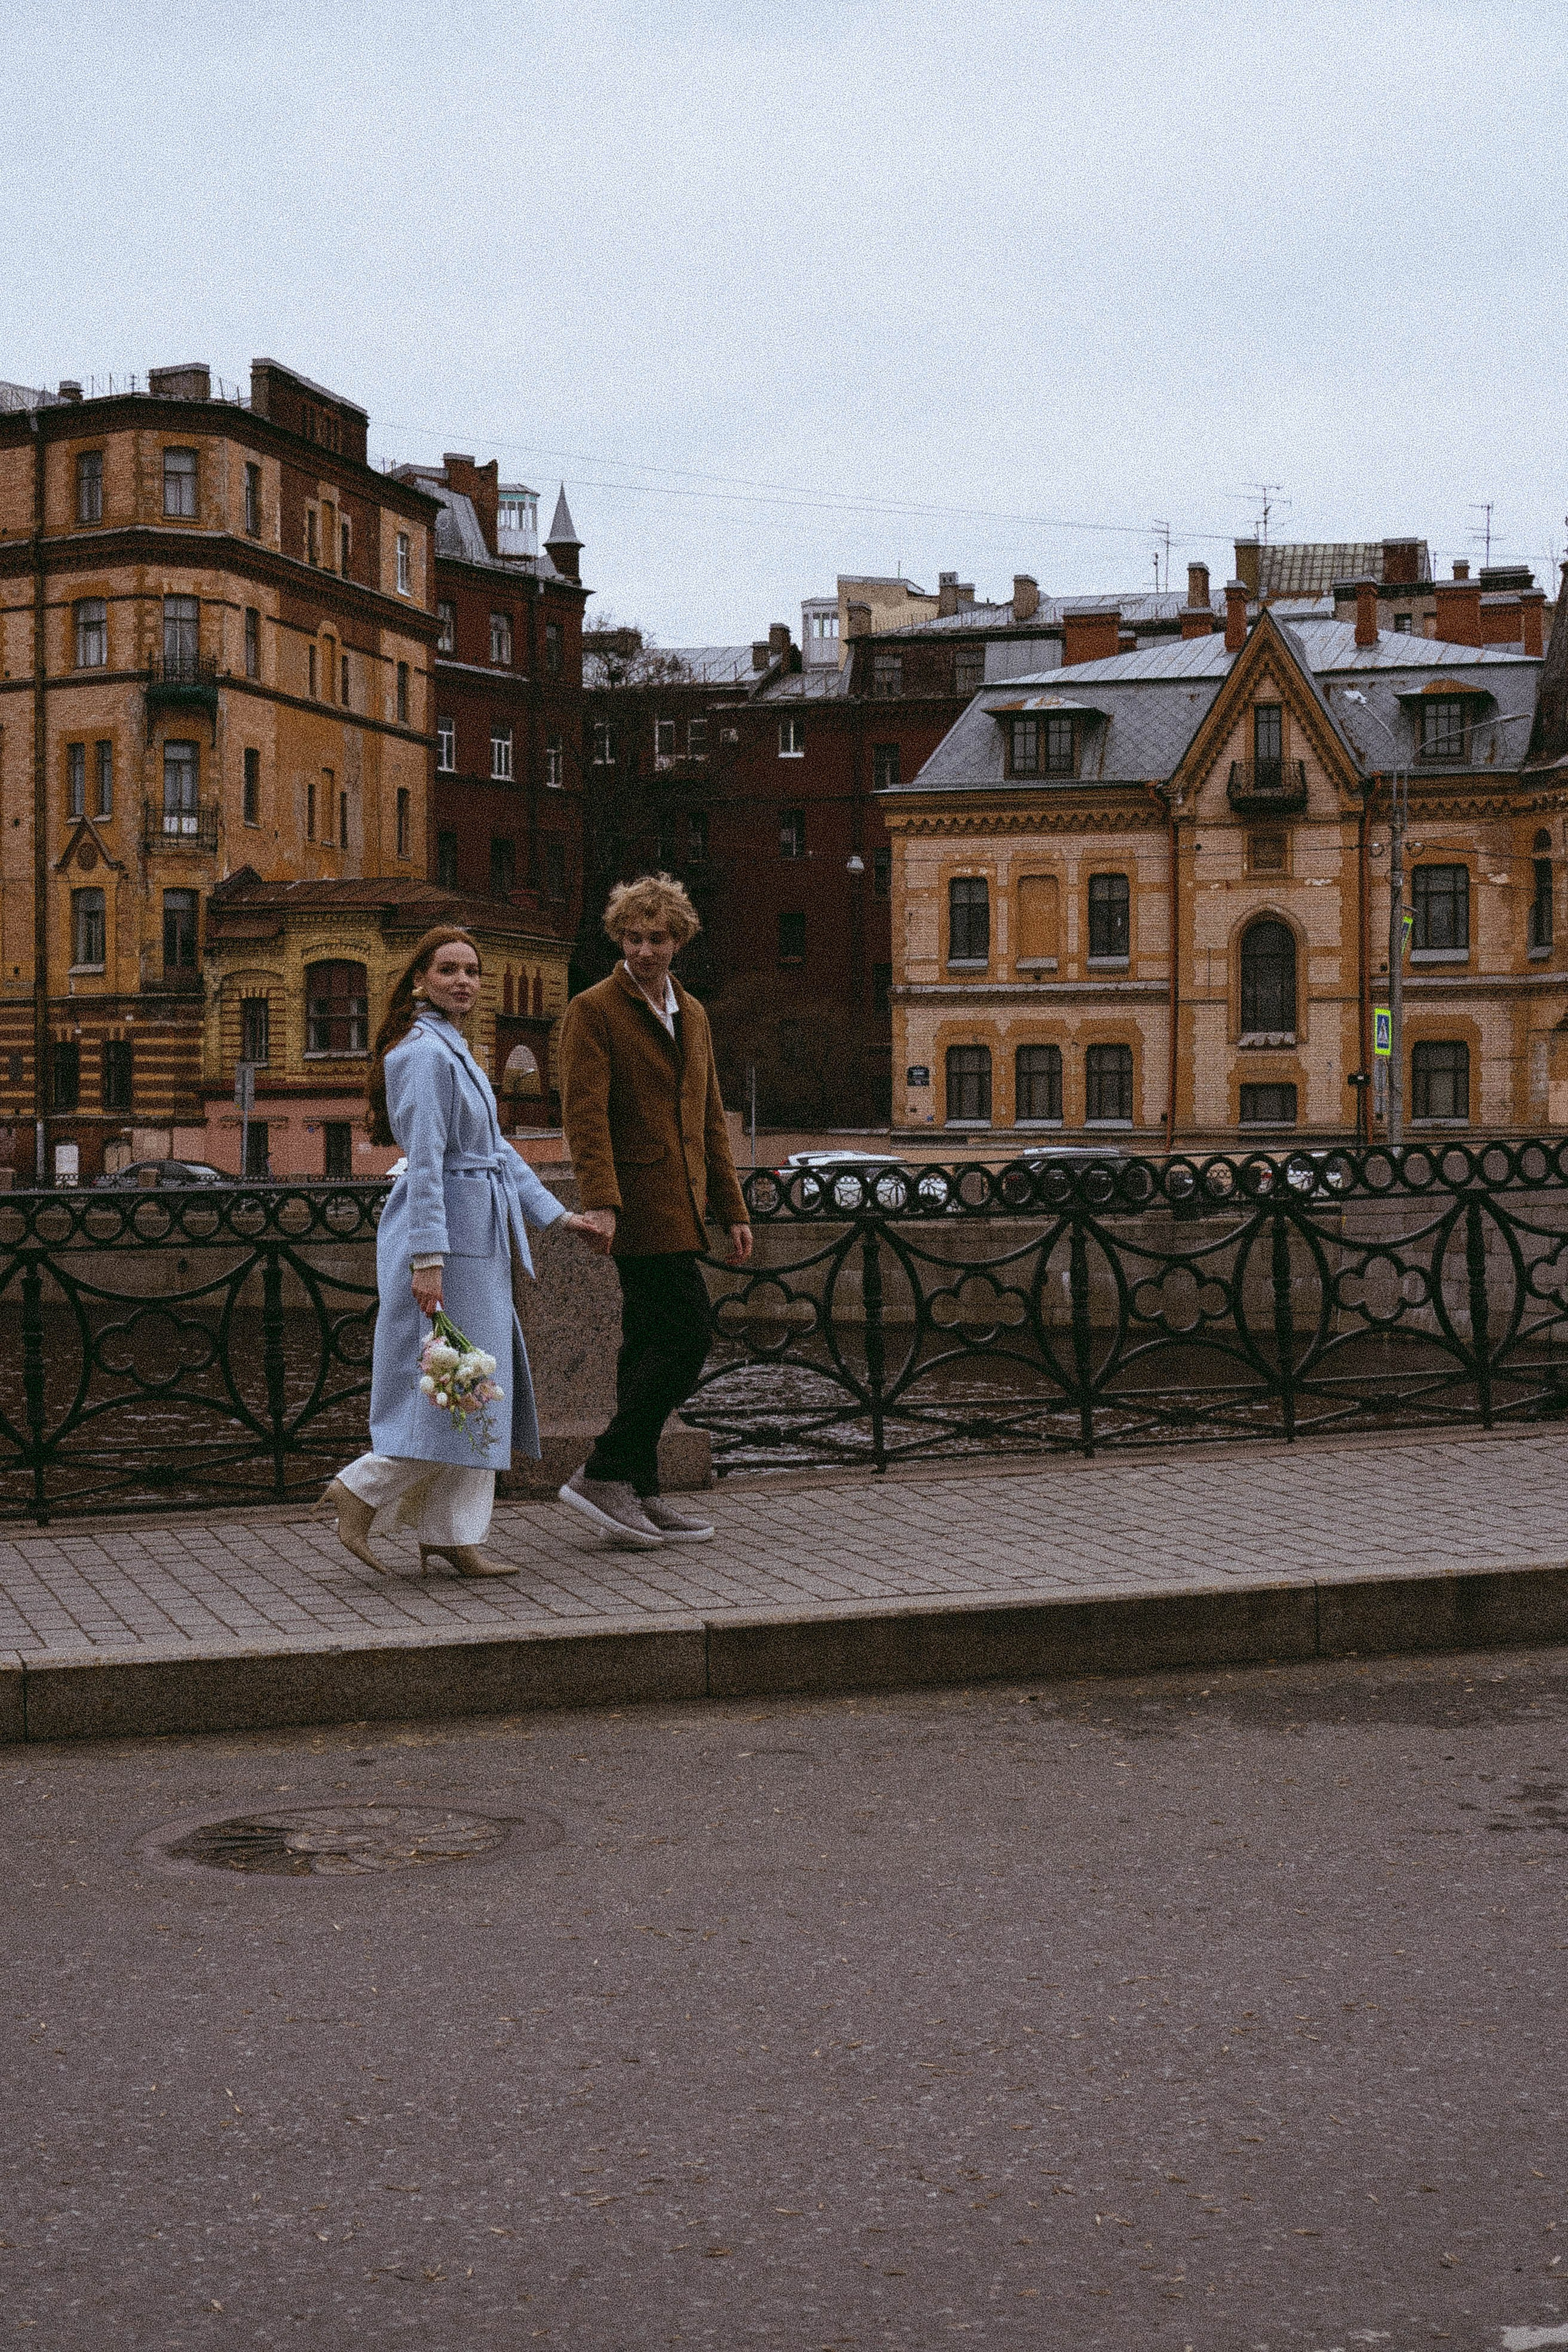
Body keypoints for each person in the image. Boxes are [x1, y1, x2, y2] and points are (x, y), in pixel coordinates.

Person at [317, 925, 600, 1577]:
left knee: (476, 1387)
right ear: (420, 980)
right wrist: (426, 1261)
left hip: (477, 1234)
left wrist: (558, 1217)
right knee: (454, 1383)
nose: (463, 981)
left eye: (472, 970)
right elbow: (425, 1166)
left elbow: (495, 1154)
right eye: (448, 969)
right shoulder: (421, 1054)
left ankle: (451, 1532)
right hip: (451, 1242)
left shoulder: (456, 1049)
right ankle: (361, 1490)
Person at [556, 874, 751, 1547]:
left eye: (657, 938)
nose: (645, 950)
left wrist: (733, 1208)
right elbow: (584, 1116)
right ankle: (604, 1472)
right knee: (688, 1334)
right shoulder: (595, 1009)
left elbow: (708, 1120)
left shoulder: (691, 1013)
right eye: (633, 938)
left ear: (679, 940)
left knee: (647, 1347)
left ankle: (638, 1489)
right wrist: (601, 1204)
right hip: (637, 1207)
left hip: (685, 1205)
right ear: (619, 939)